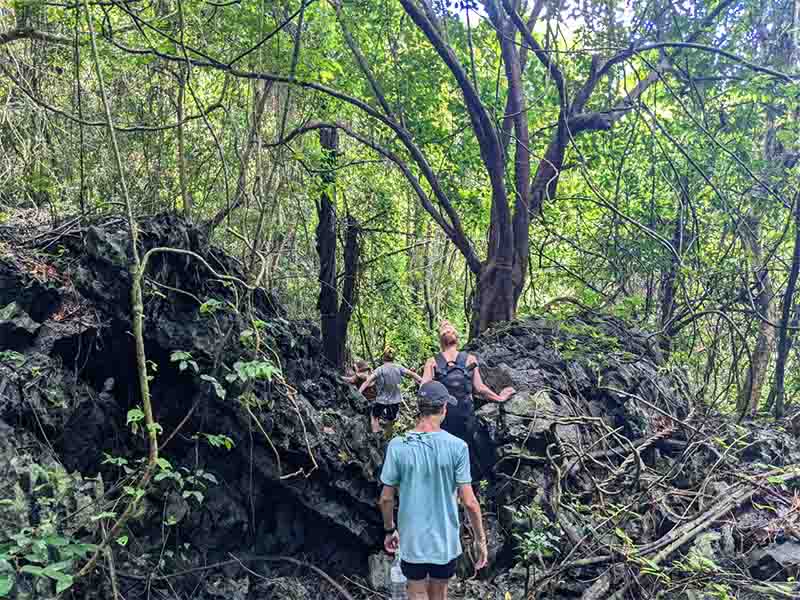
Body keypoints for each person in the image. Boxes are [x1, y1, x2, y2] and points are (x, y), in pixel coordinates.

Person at [379, 381, 488, 600]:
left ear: (419, 409)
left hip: (411, 540)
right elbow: (469, 502)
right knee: (439, 592)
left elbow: (386, 499)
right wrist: (480, 540)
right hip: (444, 542)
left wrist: (390, 529)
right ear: (444, 409)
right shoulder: (458, 447)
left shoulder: (398, 445)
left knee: (416, 590)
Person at [421, 321, 515, 473]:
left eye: (450, 328)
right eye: (444, 330)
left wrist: (500, 398)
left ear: (457, 338)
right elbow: (424, 391)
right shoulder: (433, 362)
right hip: (453, 420)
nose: (447, 330)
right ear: (441, 340)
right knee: (458, 460)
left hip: (456, 421)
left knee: (459, 459)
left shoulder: (469, 359)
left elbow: (479, 388)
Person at [360, 347, 422, 433]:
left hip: (381, 400)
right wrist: (422, 381)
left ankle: (376, 434)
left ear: (383, 357)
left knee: (374, 416)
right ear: (393, 357)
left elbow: (368, 381)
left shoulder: (380, 369)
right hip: (395, 401)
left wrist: (359, 392)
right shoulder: (398, 367)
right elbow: (412, 374)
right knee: (391, 420)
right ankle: (387, 437)